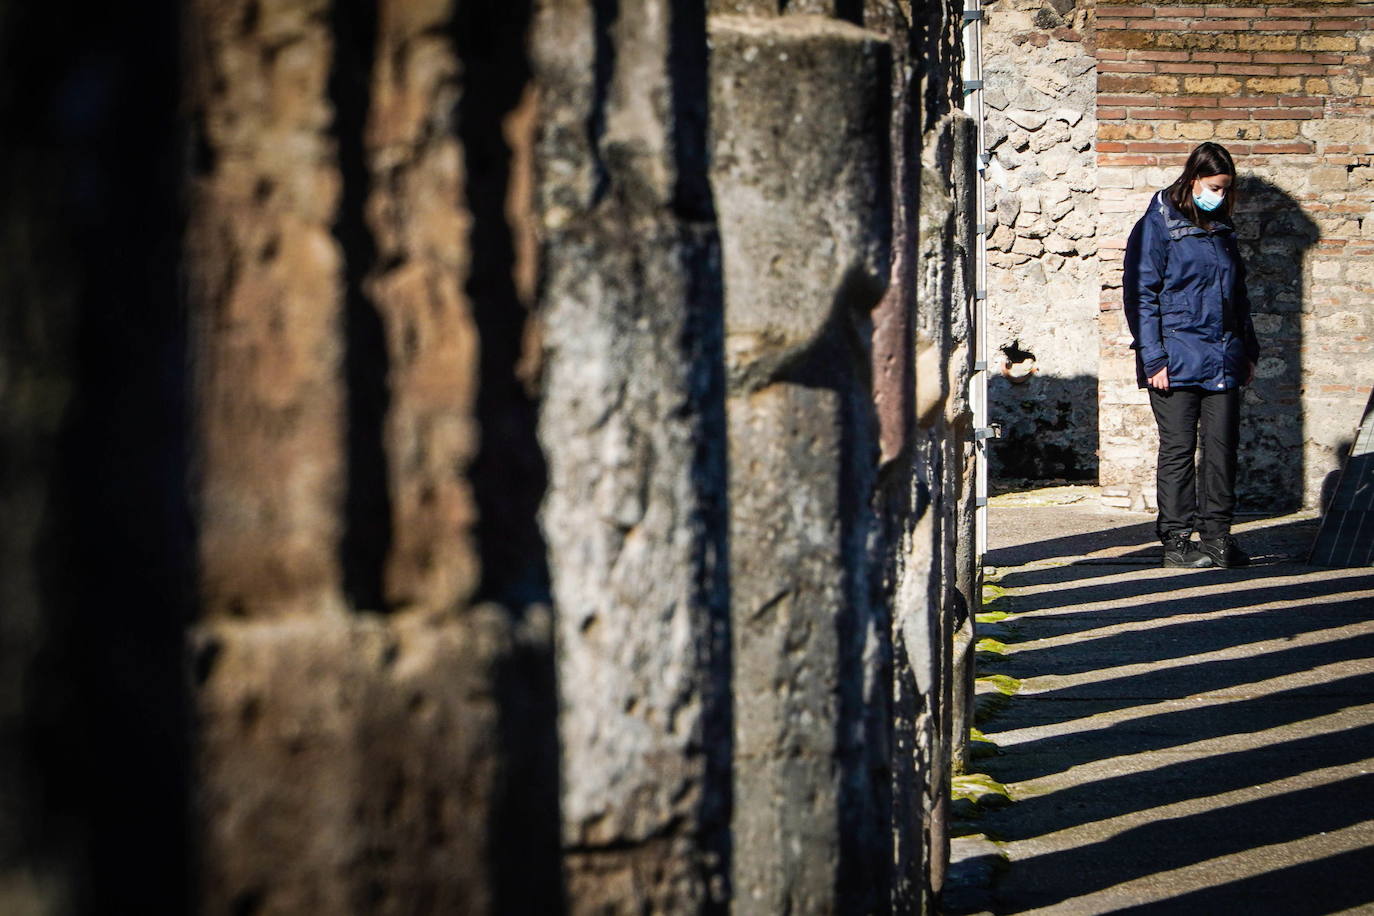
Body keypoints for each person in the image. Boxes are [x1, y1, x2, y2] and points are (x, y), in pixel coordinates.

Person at [1123, 142, 1259, 569]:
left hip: (1222, 357)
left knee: (1222, 450)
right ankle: (1177, 542)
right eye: (1215, 186)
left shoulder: (1222, 229)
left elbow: (1237, 295)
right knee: (1179, 450)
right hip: (1174, 357)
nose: (1219, 195)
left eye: (1226, 189)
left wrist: (1248, 350)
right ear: (1193, 178)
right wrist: (1153, 358)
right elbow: (1141, 295)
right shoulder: (1157, 225)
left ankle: (1218, 539)